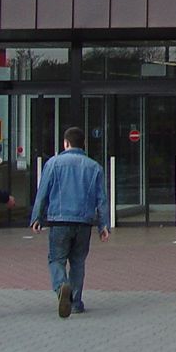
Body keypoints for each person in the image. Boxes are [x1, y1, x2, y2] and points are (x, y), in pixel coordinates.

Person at [28, 126, 109, 317]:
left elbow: (42, 193)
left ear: (65, 143)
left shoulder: (53, 164)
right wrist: (103, 225)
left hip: (59, 221)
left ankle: (61, 287)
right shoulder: (95, 167)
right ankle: (75, 302)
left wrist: (37, 217)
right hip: (84, 222)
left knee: (56, 259)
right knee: (78, 262)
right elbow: (101, 199)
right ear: (83, 144)